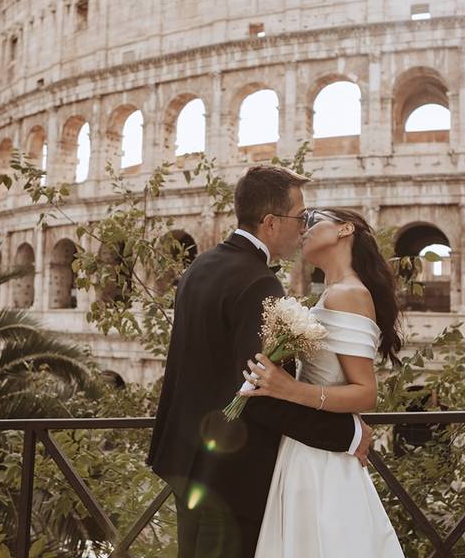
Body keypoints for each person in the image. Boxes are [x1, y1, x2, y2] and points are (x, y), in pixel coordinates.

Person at [146, 165, 374, 558]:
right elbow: (261, 392)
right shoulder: (258, 282)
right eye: (299, 217)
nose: (303, 227)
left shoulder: (201, 266)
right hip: (230, 473)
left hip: (184, 457)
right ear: (270, 223)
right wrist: (347, 435)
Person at [242, 207, 405, 557]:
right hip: (308, 445)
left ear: (345, 229)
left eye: (313, 220)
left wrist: (288, 388)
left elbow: (366, 392)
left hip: (320, 459)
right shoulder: (333, 292)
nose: (304, 229)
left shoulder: (348, 293)